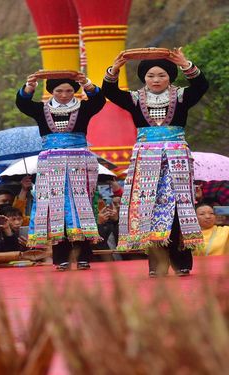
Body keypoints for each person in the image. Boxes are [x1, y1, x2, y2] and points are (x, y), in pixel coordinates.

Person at [103, 47, 208, 277]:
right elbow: (109, 90)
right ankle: (156, 265)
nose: (156, 80)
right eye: (151, 76)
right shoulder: (133, 98)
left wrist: (185, 63)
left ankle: (181, 263)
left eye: (161, 75)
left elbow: (201, 86)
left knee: (179, 208)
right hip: (145, 159)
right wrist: (115, 68)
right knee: (148, 209)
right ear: (144, 78)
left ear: (170, 76)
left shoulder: (181, 96)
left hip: (177, 158)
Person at [16, 72, 106, 271]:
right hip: (51, 164)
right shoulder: (41, 109)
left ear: (75, 90)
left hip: (79, 162)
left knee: (80, 207)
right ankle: (61, 258)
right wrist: (29, 86)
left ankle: (83, 256)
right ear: (51, 92)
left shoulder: (84, 108)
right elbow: (22, 104)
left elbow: (99, 101)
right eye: (59, 91)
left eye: (68, 90)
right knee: (55, 208)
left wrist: (87, 83)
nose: (64, 94)